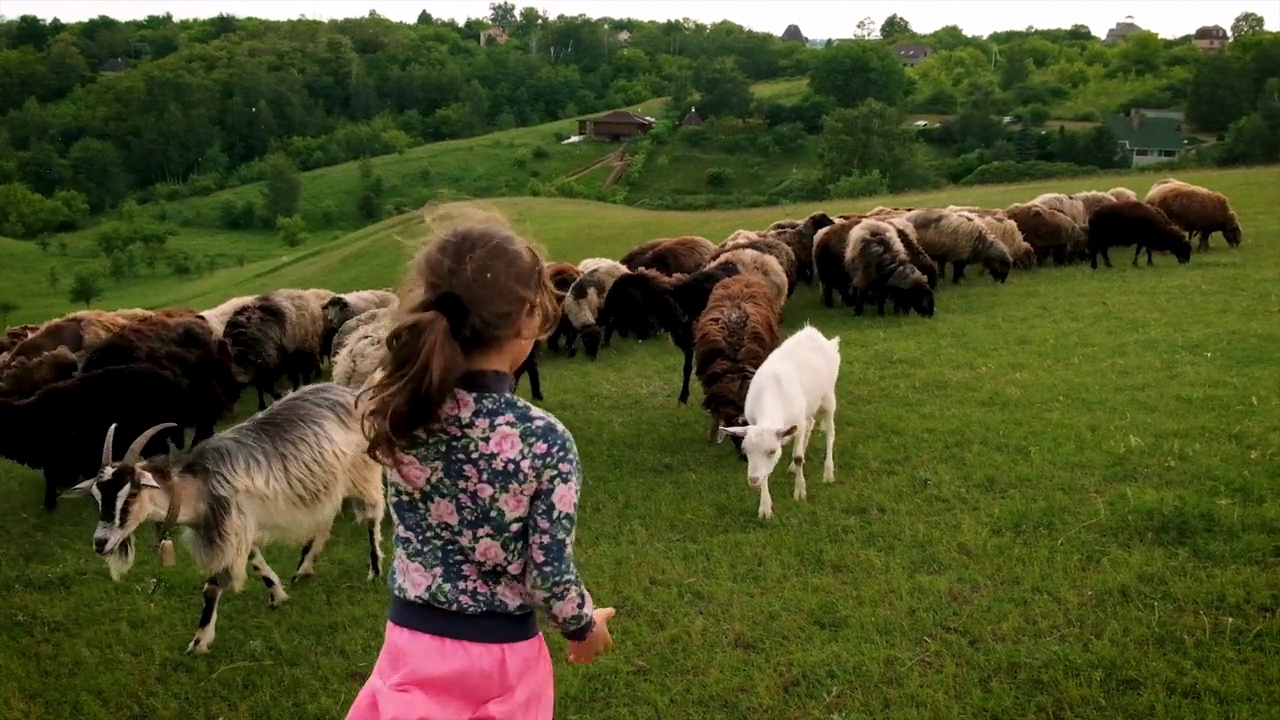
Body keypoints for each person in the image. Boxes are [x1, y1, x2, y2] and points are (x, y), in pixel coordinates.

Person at [346, 216, 615, 720]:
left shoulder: (402, 414)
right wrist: (583, 626)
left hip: (409, 643)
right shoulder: (542, 438)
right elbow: (550, 574)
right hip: (499, 662)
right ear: (525, 319)